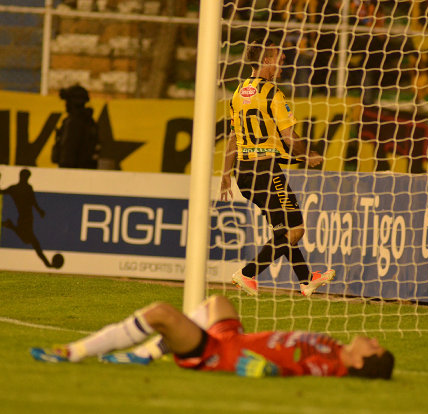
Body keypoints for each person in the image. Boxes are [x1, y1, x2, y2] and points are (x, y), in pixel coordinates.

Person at [30, 294, 394, 379]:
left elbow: (294, 370)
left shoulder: (330, 365)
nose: (372, 340)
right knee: (217, 300)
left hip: (221, 354)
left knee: (160, 313)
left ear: (361, 361)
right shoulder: (334, 346)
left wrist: (261, 370)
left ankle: (73, 351)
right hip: (233, 338)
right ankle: (149, 352)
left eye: (374, 347)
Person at [220, 37, 335, 297]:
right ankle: (248, 273)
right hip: (267, 172)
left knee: (282, 230)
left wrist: (226, 175)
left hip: (244, 174)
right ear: (266, 61)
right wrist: (307, 156)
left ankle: (306, 279)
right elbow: (289, 136)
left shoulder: (238, 93)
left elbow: (232, 138)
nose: (282, 67)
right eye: (279, 61)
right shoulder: (272, 93)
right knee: (296, 229)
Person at [51, 84, 100, 169]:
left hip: (72, 172)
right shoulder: (89, 121)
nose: (65, 105)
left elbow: (68, 154)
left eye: (67, 101)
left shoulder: (74, 123)